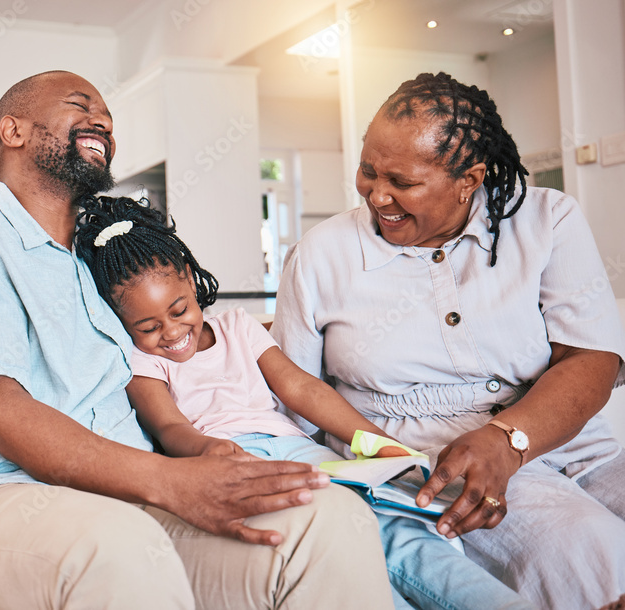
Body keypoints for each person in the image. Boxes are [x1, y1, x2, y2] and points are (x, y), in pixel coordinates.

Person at [0, 70, 396, 609]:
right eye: (79, 104)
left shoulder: (103, 261)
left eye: (107, 115)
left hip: (131, 500)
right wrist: (171, 480)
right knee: (118, 545)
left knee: (328, 517)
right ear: (11, 130)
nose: (102, 121)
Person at [74, 194, 534, 610]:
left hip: (302, 453)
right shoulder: (139, 361)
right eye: (149, 327)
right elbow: (167, 426)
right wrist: (203, 450)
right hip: (235, 463)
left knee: (408, 537)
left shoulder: (237, 326)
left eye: (179, 311)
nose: (172, 333)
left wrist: (375, 441)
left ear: (192, 284)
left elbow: (302, 389)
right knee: (349, 554)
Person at [270, 71, 625, 610]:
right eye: (368, 171)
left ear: (470, 179)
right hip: (432, 456)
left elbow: (590, 357)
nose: (377, 194)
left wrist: (509, 438)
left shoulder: (547, 220)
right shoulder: (320, 255)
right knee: (590, 552)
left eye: (402, 181)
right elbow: (292, 396)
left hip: (570, 437)